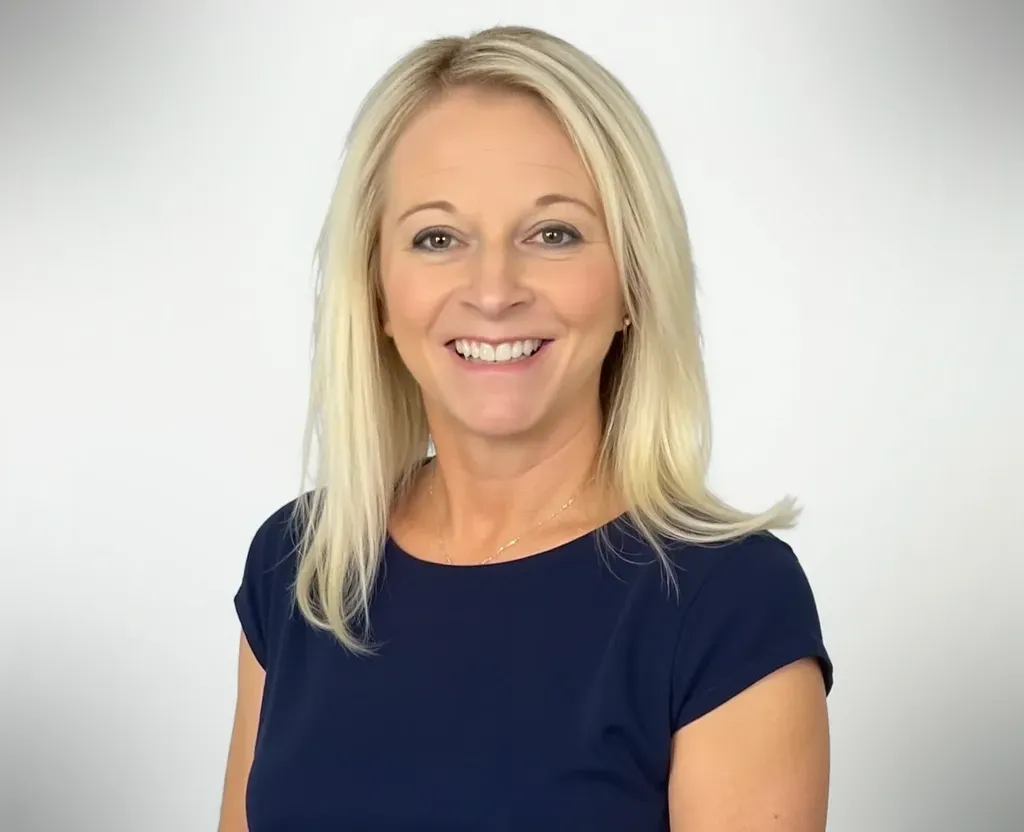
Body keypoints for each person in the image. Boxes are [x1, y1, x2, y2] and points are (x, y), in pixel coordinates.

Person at [218, 24, 834, 832]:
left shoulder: (728, 605)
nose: (495, 288)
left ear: (632, 285)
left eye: (554, 234)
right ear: (377, 289)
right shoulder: (301, 567)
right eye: (438, 238)